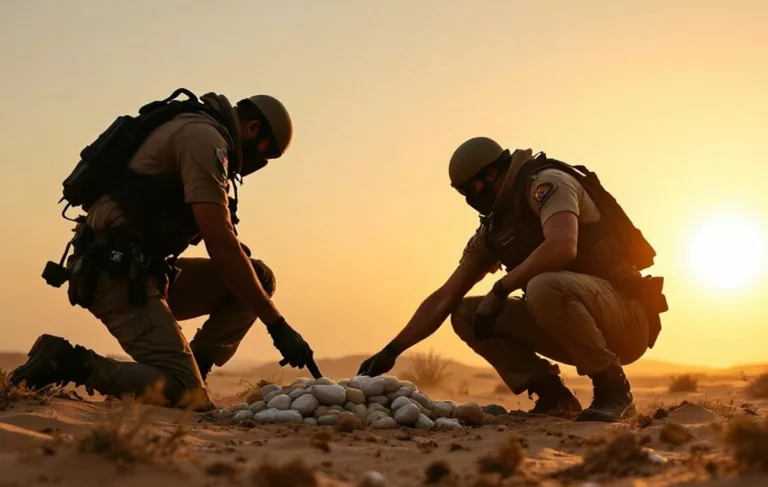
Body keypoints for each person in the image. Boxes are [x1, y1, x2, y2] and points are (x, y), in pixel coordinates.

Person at [11, 90, 317, 410]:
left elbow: (216, 238)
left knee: (257, 277)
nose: (259, 164)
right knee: (187, 396)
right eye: (265, 154)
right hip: (115, 275)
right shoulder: (203, 138)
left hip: (145, 272)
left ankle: (194, 368)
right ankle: (66, 361)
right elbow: (221, 246)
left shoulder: (200, 130)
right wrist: (278, 326)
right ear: (253, 130)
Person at [358, 138, 667, 422]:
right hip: (570, 324)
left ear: (491, 175)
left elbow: (562, 246)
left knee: (542, 285)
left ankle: (614, 390)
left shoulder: (547, 184)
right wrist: (392, 350)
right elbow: (445, 297)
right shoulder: (494, 229)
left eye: (471, 190)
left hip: (625, 319)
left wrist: (502, 287)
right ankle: (554, 396)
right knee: (466, 315)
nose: (469, 200)